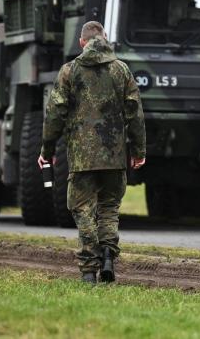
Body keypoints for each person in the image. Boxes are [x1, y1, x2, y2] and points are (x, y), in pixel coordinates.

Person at [39, 21, 146, 284]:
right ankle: (108, 254)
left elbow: (55, 114)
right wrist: (138, 149)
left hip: (81, 157)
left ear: (81, 43)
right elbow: (135, 113)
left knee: (81, 207)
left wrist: (47, 150)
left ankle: (89, 269)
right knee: (109, 207)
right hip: (115, 154)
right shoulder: (121, 70)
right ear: (105, 39)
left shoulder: (69, 71)